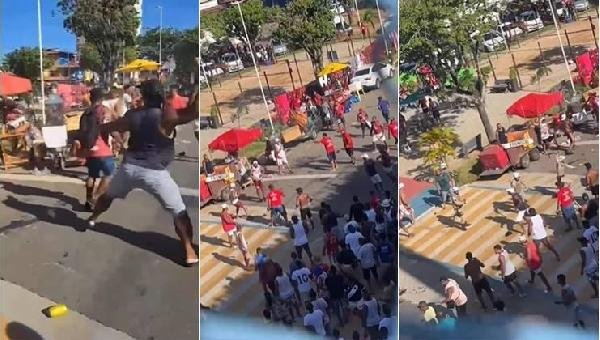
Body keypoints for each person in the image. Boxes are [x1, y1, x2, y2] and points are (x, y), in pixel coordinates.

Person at [86, 80, 198, 266]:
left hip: (129, 169)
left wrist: (95, 124)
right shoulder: (165, 114)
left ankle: (93, 217)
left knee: (108, 196)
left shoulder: (134, 115)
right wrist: (196, 91)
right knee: (180, 213)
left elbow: (109, 127)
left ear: (144, 96)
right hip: (155, 173)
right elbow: (192, 113)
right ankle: (189, 250)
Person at [79, 88, 120, 211]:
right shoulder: (103, 111)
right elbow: (109, 128)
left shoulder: (85, 113)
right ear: (101, 99)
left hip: (90, 148)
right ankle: (94, 198)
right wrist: (119, 140)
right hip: (102, 150)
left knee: (92, 175)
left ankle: (87, 199)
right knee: (110, 174)